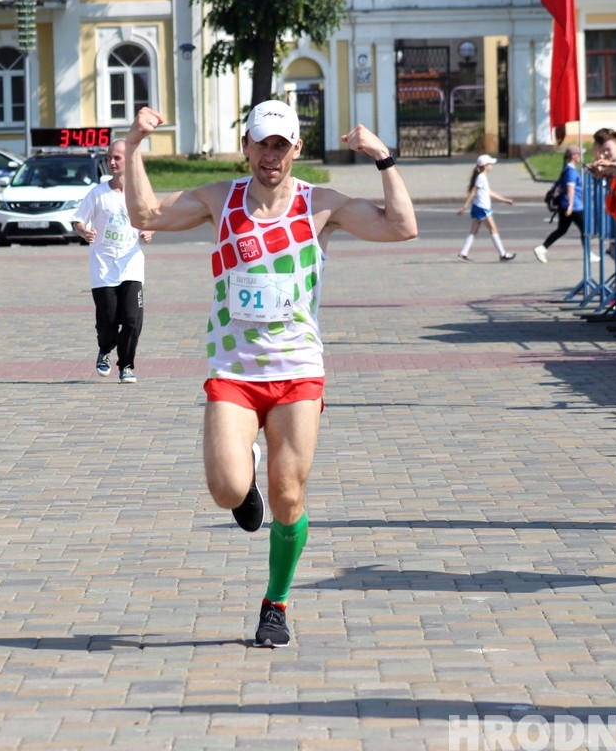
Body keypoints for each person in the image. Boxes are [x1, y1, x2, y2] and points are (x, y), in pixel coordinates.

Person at [123, 101, 417, 647]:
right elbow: (146, 216)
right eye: (262, 144)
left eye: (281, 145)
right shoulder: (220, 199)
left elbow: (402, 227)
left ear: (295, 150)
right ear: (246, 147)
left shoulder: (319, 204)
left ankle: (275, 603)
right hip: (233, 368)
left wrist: (382, 157)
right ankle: (245, 470)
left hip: (297, 369)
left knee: (288, 496)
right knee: (227, 489)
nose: (271, 156)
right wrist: (135, 145)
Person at [72, 139, 153, 383]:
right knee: (107, 320)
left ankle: (127, 365)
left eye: (117, 158)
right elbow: (78, 220)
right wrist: (83, 231)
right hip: (103, 267)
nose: (112, 162)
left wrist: (150, 231)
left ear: (129, 161)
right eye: (109, 158)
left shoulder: (140, 193)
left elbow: (152, 219)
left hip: (131, 264)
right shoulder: (98, 193)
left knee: (131, 319)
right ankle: (105, 349)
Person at [454, 153, 516, 262]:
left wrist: (504, 200)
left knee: (474, 230)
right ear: (485, 166)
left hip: (479, 207)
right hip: (482, 208)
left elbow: (489, 192)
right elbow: (473, 192)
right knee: (493, 229)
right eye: (490, 164)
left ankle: (463, 254)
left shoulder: (482, 177)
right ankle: (503, 254)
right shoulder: (481, 177)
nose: (491, 166)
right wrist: (464, 207)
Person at [534, 145, 585, 263]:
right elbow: (570, 188)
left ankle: (542, 248)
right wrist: (571, 205)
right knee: (585, 229)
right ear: (573, 156)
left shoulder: (567, 169)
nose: (581, 156)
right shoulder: (571, 171)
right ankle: (588, 253)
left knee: (562, 230)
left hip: (565, 204)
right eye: (579, 154)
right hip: (573, 206)